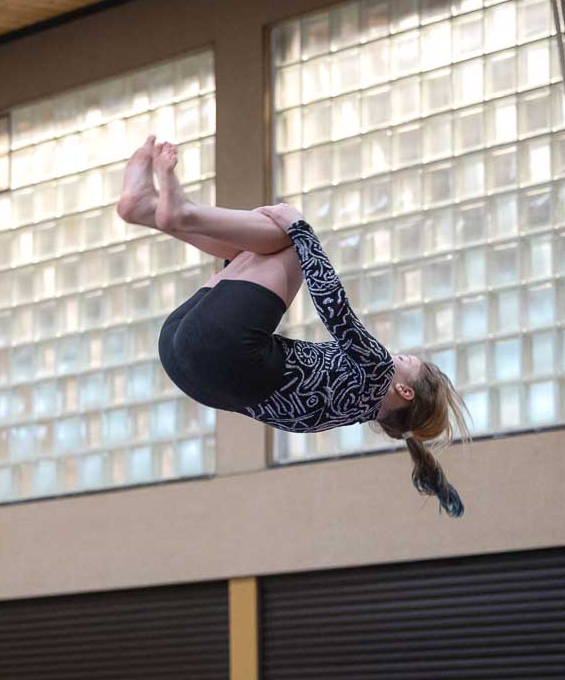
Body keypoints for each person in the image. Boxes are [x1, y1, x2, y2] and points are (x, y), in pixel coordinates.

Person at [119, 137, 468, 514]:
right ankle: (149, 208)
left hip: (223, 348)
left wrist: (304, 231)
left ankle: (175, 212)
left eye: (405, 358)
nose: (394, 355)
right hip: (186, 361)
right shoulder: (336, 416)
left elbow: (335, 310)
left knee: (287, 240)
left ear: (404, 391)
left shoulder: (378, 373)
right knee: (254, 245)